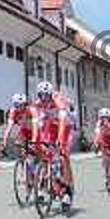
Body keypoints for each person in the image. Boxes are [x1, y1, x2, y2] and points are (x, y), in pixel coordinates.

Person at [31, 81, 73, 209]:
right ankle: (44, 183)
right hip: (50, 128)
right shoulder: (38, 104)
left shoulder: (58, 100)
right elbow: (37, 123)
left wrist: (60, 139)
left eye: (47, 96)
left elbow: (62, 121)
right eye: (41, 96)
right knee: (44, 152)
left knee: (63, 155)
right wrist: (35, 140)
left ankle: (67, 191)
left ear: (51, 95)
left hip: (64, 127)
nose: (44, 99)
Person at [93, 108, 110, 179]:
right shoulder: (99, 123)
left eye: (106, 117)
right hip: (104, 138)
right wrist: (96, 143)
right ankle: (106, 168)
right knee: (105, 155)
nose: (104, 119)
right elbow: (97, 133)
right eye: (102, 117)